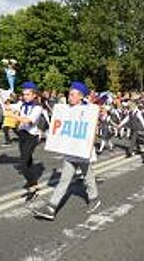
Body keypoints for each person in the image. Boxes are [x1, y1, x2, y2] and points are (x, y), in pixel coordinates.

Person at [33, 82, 101, 221]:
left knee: (88, 178)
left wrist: (89, 145)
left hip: (82, 151)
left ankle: (94, 199)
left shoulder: (88, 110)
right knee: (64, 180)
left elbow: (92, 128)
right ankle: (51, 208)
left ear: (80, 97)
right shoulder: (65, 109)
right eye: (69, 94)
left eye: (72, 94)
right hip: (71, 151)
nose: (69, 97)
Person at [8, 81, 43, 200]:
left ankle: (33, 186)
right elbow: (8, 106)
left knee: (23, 163)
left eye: (27, 94)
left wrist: (12, 116)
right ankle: (33, 182)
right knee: (28, 162)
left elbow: (28, 120)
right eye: (23, 94)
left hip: (31, 136)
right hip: (22, 135)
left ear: (34, 95)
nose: (24, 96)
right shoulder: (21, 104)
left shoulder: (38, 107)